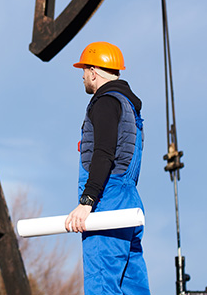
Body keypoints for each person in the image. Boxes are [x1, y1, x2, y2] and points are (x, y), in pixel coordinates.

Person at [64, 41, 151, 294]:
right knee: (133, 285)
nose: (82, 77)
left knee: (102, 282)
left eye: (83, 71)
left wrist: (87, 201)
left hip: (107, 200)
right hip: (130, 201)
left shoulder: (104, 102)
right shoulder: (129, 107)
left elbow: (103, 153)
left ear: (94, 71)